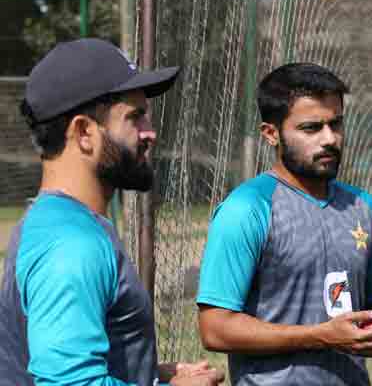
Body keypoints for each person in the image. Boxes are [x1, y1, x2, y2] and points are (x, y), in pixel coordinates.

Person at [0, 38, 225, 386]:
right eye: (134, 117)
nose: (150, 132)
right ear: (84, 132)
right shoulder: (69, 244)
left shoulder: (65, 222)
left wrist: (150, 375)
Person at [196, 62, 372, 385]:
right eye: (311, 128)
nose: (330, 139)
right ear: (271, 133)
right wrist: (319, 336)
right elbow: (214, 328)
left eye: (336, 124)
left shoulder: (365, 207)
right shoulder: (246, 210)